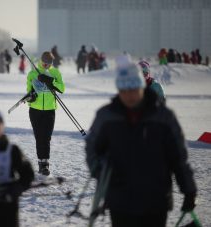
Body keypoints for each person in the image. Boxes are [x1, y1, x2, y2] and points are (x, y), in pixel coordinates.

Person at [85, 55, 197, 227]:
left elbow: (179, 157)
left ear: (141, 86)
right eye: (124, 89)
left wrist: (188, 190)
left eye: (133, 88)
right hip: (120, 199)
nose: (129, 95)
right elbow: (92, 148)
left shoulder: (163, 118)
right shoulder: (107, 116)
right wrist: (100, 171)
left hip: (155, 199)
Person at [26, 51, 65, 175]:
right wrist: (30, 97)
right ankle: (41, 163)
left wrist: (50, 81)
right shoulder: (32, 73)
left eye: (49, 64)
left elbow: (62, 88)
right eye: (44, 63)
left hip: (49, 110)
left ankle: (46, 163)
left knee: (46, 137)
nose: (46, 66)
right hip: (35, 110)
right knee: (39, 137)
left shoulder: (55, 73)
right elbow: (28, 91)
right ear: (41, 61)